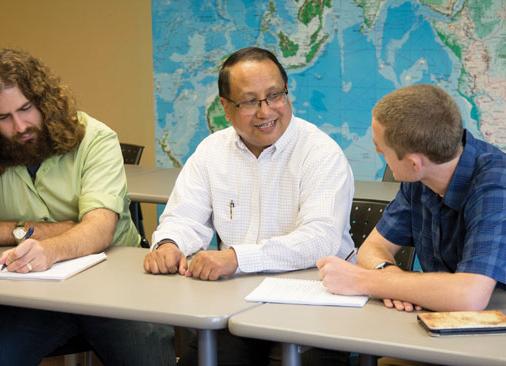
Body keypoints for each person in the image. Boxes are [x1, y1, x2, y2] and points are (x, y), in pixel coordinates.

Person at [144, 47, 354, 365]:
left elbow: (319, 240)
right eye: (250, 101)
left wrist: (236, 258)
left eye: (274, 96)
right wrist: (170, 243)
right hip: (237, 304)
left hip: (314, 307)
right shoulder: (211, 151)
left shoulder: (320, 153)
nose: (265, 111)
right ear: (226, 108)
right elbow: (185, 216)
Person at [0, 48, 175, 366]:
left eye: (26, 108)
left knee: (148, 357)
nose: (20, 125)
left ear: (44, 100)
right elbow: (84, 226)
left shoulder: (95, 138)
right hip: (28, 293)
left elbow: (98, 229)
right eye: (3, 117)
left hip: (114, 282)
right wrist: (55, 229)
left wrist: (48, 248)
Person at [318, 84, 506, 312]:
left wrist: (364, 281)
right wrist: (391, 281)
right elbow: (374, 247)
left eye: (382, 151)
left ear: (413, 164)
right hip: (444, 320)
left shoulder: (496, 184)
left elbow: (469, 295)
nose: (380, 155)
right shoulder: (420, 178)